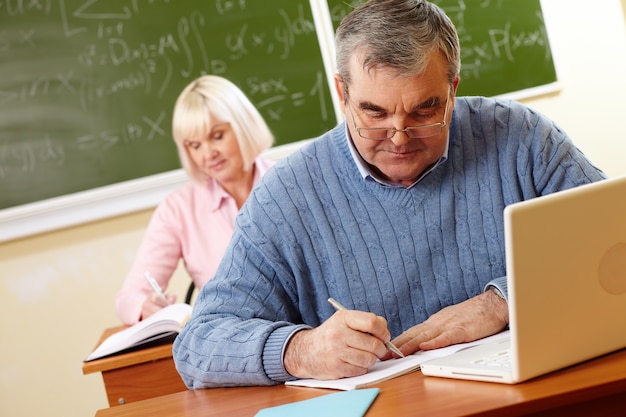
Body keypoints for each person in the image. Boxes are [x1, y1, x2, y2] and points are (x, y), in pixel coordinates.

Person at [172, 0, 605, 387]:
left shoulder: (519, 138)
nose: (398, 138)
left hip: (542, 390)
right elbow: (198, 345)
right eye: (374, 113)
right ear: (342, 94)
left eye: (424, 110)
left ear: (452, 90)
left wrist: (502, 302)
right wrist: (302, 350)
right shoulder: (287, 197)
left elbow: (612, 234)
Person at [115, 75, 274, 325]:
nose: (208, 154)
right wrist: (145, 307)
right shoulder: (178, 209)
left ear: (243, 126)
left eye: (217, 136)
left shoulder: (290, 182)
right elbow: (127, 299)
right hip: (231, 343)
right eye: (194, 145)